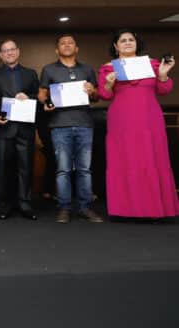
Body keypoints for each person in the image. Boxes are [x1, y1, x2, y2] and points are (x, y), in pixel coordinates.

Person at [98, 29, 178, 219]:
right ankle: (125, 210)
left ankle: (155, 209)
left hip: (149, 119)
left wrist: (163, 75)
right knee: (126, 159)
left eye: (131, 39)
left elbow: (164, 90)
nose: (127, 42)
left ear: (137, 43)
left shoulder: (152, 64)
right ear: (116, 46)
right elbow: (104, 95)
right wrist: (109, 84)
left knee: (152, 158)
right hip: (122, 121)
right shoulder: (108, 68)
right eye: (122, 40)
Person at [38, 34, 103, 224]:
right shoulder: (49, 70)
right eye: (62, 43)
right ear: (57, 50)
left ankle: (84, 207)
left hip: (84, 124)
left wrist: (92, 91)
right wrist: (47, 101)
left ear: (77, 48)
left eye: (70, 42)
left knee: (84, 169)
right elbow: (42, 95)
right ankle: (64, 208)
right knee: (63, 170)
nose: (67, 45)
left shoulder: (87, 69)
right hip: (60, 125)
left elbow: (98, 96)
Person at [0, 39, 40, 220]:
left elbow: (38, 99)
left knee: (26, 168)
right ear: (1, 55)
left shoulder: (30, 74)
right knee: (3, 169)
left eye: (12, 50)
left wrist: (29, 96)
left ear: (18, 52)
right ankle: (4, 205)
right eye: (5, 51)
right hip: (4, 128)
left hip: (25, 128)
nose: (9, 53)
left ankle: (25, 204)